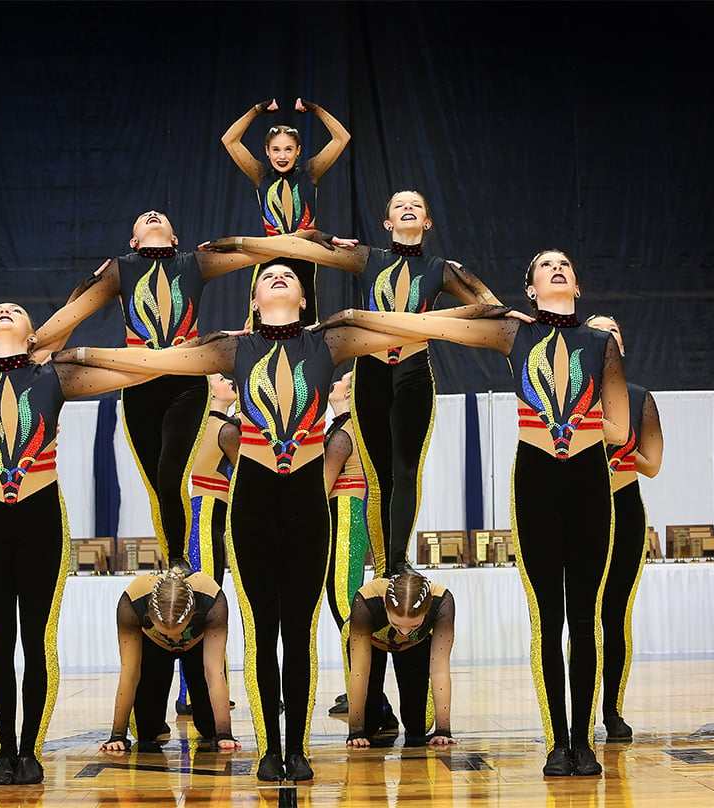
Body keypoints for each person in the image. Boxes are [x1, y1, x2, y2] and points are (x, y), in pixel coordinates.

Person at [52, 263, 509, 782]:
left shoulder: (329, 342)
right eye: (266, 276)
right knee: (262, 633)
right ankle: (271, 747)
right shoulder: (231, 348)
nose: (278, 277)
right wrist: (79, 354)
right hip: (252, 502)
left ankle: (298, 748)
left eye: (287, 277)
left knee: (299, 632)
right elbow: (155, 359)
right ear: (252, 300)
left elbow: (415, 326)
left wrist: (485, 310)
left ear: (303, 298)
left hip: (306, 506)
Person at [314, 249, 629, 777]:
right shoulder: (512, 333)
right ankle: (557, 743)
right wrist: (358, 319)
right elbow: (434, 325)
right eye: (544, 266)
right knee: (548, 619)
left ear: (576, 283)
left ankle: (583, 741)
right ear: (528, 290)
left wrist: (573, 414)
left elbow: (618, 430)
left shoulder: (600, 345)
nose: (556, 269)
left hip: (588, 483)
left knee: (585, 617)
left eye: (565, 265)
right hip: (536, 483)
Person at [200, 192, 512, 577]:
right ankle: (384, 568)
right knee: (378, 474)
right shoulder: (369, 257)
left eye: (416, 204)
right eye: (399, 205)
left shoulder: (442, 268)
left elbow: (491, 307)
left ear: (427, 222)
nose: (408, 208)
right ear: (387, 223)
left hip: (414, 372)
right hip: (373, 373)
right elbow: (303, 244)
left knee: (406, 470)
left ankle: (399, 561)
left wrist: (444, 315)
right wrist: (244, 242)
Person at [0, 303, 159, 786]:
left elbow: (128, 373)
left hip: (42, 519)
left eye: (15, 310)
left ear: (32, 332)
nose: (3, 312)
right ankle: (3, 753)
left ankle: (31, 751)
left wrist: (167, 353)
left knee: (37, 640)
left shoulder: (53, 376)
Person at [31, 212, 267, 574]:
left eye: (160, 217)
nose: (152, 216)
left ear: (175, 239)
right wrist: (28, 343)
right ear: (133, 242)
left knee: (171, 474)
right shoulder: (121, 270)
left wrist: (312, 240)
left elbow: (256, 252)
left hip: (186, 380)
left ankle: (179, 560)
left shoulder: (194, 263)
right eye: (143, 220)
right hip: (137, 383)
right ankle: (172, 564)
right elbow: (72, 315)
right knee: (158, 487)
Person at [585, 315, 664, 741]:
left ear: (622, 347)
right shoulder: (568, 397)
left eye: (614, 332)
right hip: (582, 508)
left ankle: (612, 711)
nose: (607, 339)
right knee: (582, 615)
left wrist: (618, 446)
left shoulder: (638, 398)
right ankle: (578, 713)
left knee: (615, 616)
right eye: (598, 333)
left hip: (625, 505)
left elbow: (653, 465)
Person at [222, 97, 351, 325]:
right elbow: (229, 141)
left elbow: (342, 138)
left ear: (298, 150)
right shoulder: (260, 174)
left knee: (306, 325)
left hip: (305, 255)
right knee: (261, 324)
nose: (282, 156)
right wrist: (257, 109)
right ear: (267, 152)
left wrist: (315, 108)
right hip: (270, 254)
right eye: (276, 150)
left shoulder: (310, 172)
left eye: (288, 149)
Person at [100, 570, 239, 754]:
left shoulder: (211, 601)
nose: (175, 638)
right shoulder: (133, 603)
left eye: (180, 630)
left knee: (210, 728)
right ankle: (155, 721)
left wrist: (224, 734)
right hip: (154, 647)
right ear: (149, 616)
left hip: (197, 645)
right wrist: (117, 735)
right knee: (147, 731)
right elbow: (130, 672)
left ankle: (215, 727)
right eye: (166, 632)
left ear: (193, 615)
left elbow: (214, 673)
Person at [176, 373, 239, 717]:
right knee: (207, 602)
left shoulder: (202, 425)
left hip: (204, 513)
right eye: (221, 378)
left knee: (200, 603)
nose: (229, 381)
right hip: (207, 515)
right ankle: (198, 691)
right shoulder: (223, 428)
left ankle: (193, 690)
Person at [344, 573, 455, 748]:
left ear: (426, 611)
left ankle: (402, 716)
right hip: (372, 643)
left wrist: (443, 729)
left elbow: (440, 668)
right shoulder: (367, 600)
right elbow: (360, 671)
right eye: (396, 625)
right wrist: (355, 730)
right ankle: (384, 712)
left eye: (413, 626)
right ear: (386, 608)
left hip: (415, 645)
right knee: (369, 726)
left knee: (418, 726)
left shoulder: (442, 602)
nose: (404, 632)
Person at [322, 371, 371, 717]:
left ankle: (366, 695)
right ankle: (358, 688)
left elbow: (321, 487)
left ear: (350, 394)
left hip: (345, 515)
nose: (333, 382)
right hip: (350, 515)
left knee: (344, 605)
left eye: (339, 380)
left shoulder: (343, 435)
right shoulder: (355, 428)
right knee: (345, 606)